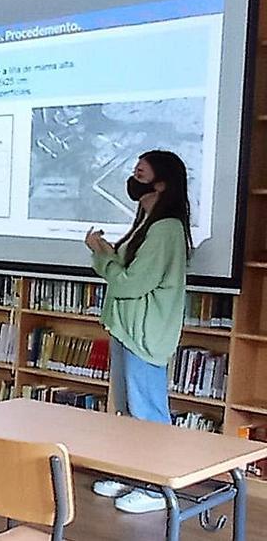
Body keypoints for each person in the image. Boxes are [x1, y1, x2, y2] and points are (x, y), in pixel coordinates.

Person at [84, 150, 191, 514]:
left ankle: (156, 486)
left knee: (148, 410)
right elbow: (126, 271)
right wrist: (104, 252)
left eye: (140, 172)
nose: (133, 178)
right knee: (129, 408)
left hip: (144, 332)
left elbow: (131, 283)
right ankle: (131, 473)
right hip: (127, 327)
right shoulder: (147, 222)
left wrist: (103, 258)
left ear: (161, 182)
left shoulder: (165, 228)